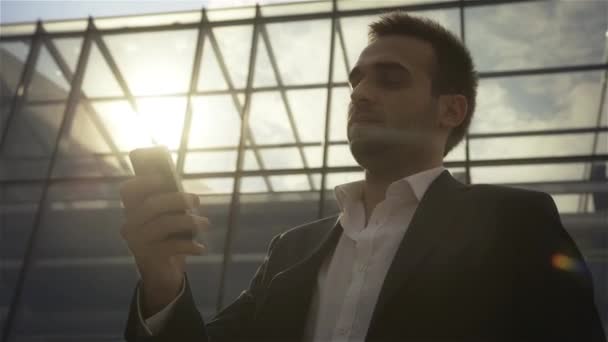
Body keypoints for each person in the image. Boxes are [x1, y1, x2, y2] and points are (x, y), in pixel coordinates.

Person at [119, 11, 606, 342]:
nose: (361, 93)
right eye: (357, 80)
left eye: (390, 79)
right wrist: (162, 284)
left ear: (451, 109)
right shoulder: (290, 249)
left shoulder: (514, 221)